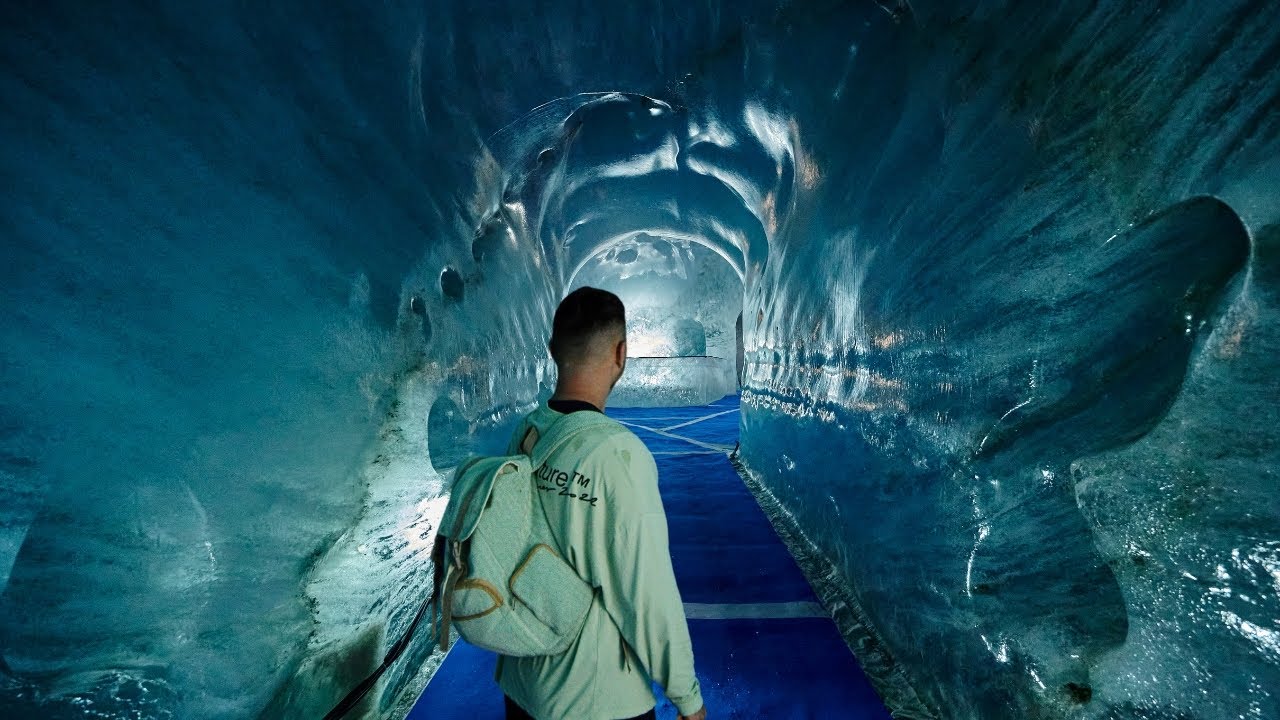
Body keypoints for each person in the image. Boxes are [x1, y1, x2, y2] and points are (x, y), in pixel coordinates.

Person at [497, 287, 707, 720]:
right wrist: (686, 697)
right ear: (621, 353)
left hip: (523, 687)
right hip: (598, 700)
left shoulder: (524, 434)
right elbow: (646, 593)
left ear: (553, 349)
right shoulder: (618, 456)